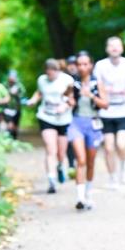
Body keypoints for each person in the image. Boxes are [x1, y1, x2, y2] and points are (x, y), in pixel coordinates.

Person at [25, 59, 75, 194]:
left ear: (58, 71)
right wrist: (32, 101)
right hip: (46, 116)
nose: (50, 76)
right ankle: (51, 179)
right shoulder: (42, 80)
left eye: (52, 74)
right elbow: (39, 93)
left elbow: (72, 99)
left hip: (63, 119)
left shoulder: (67, 80)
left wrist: (64, 107)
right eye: (48, 74)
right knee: (50, 148)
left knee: (61, 152)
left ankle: (59, 166)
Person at [94, 36, 125, 187]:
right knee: (108, 147)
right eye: (111, 46)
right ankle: (112, 177)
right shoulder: (100, 65)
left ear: (122, 48)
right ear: (107, 49)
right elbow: (97, 85)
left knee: (121, 144)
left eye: (117, 45)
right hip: (106, 111)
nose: (114, 48)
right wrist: (106, 91)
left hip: (124, 110)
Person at [67, 51, 107, 210]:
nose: (82, 67)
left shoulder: (98, 83)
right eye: (79, 64)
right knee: (81, 160)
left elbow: (105, 104)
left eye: (85, 64)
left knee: (90, 162)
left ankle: (88, 194)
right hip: (76, 123)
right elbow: (68, 99)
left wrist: (91, 96)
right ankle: (80, 197)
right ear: (76, 66)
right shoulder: (73, 84)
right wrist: (68, 100)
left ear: (91, 65)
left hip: (93, 123)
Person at [65, 55, 80, 172]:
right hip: (68, 114)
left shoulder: (82, 78)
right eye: (70, 65)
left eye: (74, 65)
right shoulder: (63, 79)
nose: (72, 67)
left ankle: (80, 162)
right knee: (69, 140)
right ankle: (71, 164)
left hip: (81, 114)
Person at [4, 70, 23, 140]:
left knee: (15, 124)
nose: (12, 78)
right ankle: (9, 138)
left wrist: (17, 93)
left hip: (17, 108)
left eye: (13, 77)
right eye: (10, 77)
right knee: (9, 124)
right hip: (7, 107)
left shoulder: (19, 86)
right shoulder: (5, 85)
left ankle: (14, 137)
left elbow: (23, 95)